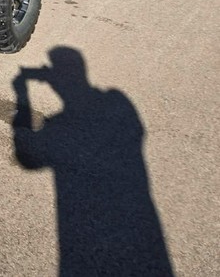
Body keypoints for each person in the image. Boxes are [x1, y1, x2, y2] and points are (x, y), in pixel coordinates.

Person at [12, 46, 173, 277]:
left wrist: (21, 91)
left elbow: (27, 159)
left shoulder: (64, 124)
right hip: (138, 214)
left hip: (81, 222)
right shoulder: (119, 102)